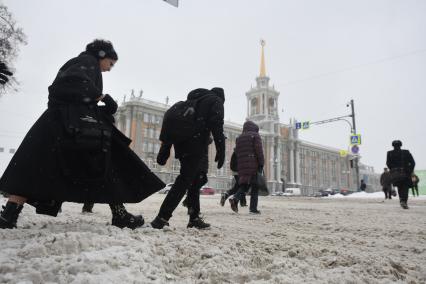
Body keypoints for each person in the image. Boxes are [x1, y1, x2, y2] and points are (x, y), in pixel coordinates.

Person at [0, 39, 165, 230]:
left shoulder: (84, 63)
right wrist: (100, 97)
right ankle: (119, 215)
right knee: (108, 164)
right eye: (110, 63)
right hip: (70, 125)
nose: (109, 69)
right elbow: (74, 83)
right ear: (102, 55)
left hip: (60, 124)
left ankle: (9, 215)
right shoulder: (87, 62)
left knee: (36, 168)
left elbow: (72, 89)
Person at [152, 87, 226, 229]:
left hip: (182, 145)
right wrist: (221, 149)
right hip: (195, 144)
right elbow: (217, 125)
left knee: (194, 179)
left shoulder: (191, 102)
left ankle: (194, 218)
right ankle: (162, 218)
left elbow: (173, 123)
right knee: (185, 179)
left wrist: (165, 149)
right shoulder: (216, 100)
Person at [228, 120, 264, 214]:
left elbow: (237, 152)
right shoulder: (255, 136)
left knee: (245, 185)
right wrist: (261, 163)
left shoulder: (239, 137)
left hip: (242, 166)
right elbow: (259, 151)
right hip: (253, 164)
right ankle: (253, 209)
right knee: (255, 186)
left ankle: (235, 199)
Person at [386, 140, 415, 209]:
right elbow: (413, 162)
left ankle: (402, 200)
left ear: (393, 145)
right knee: (405, 187)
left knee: (400, 187)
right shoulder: (406, 152)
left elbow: (388, 163)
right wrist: (409, 170)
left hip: (396, 174)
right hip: (405, 173)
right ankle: (404, 201)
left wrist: (393, 169)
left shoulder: (390, 153)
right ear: (401, 145)